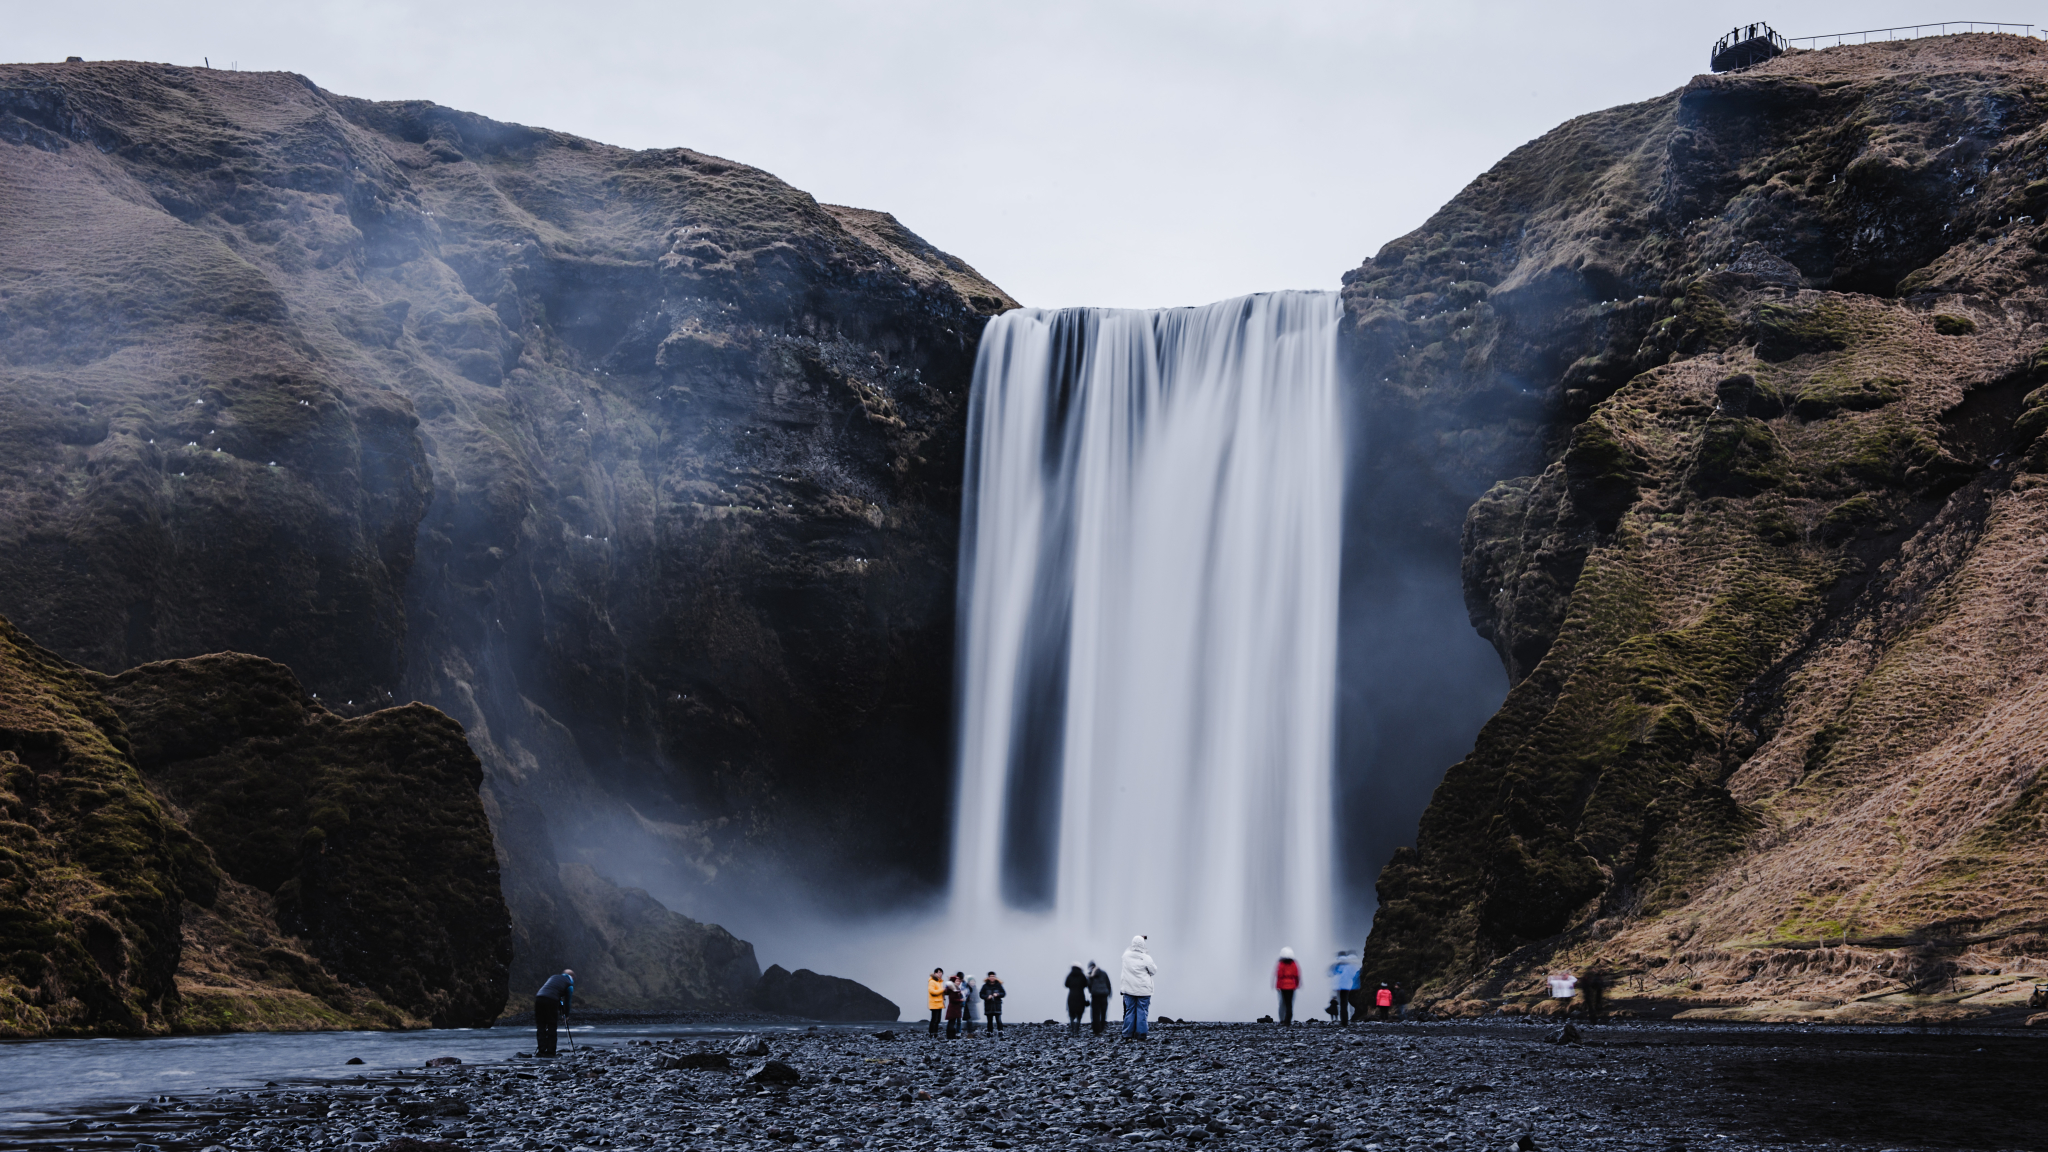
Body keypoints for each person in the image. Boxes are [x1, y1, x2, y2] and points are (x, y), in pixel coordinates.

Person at [1119, 935, 1156, 1042]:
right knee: (1142, 1011)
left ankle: (1128, 1035)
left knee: (1129, 1011)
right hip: (1143, 989)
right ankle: (1141, 1035)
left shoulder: (1126, 956)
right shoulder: (1146, 957)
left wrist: (1138, 938)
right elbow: (1153, 971)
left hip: (1129, 988)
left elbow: (1128, 949)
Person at [534, 968, 574, 1057]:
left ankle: (541, 1050)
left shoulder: (553, 977)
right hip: (551, 1000)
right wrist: (566, 1015)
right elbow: (568, 1001)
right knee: (551, 1025)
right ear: (572, 977)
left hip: (539, 998)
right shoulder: (569, 984)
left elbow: (551, 989)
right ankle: (550, 1051)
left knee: (541, 1025)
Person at [1330, 950, 1361, 1026]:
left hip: (1341, 987)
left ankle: (1344, 1021)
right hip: (1350, 987)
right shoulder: (1351, 965)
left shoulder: (1339, 965)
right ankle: (1351, 1018)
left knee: (1343, 1005)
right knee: (1350, 1004)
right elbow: (1355, 974)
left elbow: (1332, 973)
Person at [1273, 947, 1301, 1026]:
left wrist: (1278, 986)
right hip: (1291, 986)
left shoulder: (1281, 964)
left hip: (1283, 986)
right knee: (1289, 1004)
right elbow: (1296, 975)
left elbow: (1279, 975)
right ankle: (1288, 1020)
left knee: (1282, 1003)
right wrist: (1297, 984)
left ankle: (1282, 1019)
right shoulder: (1294, 964)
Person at [1086, 961, 1113, 1036]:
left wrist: (1091, 991)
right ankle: (1102, 1028)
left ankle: (1096, 1030)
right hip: (1104, 995)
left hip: (1095, 996)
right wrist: (1109, 993)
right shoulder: (1104, 973)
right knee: (1103, 1012)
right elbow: (1108, 983)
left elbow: (1089, 985)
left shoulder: (1090, 974)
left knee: (1095, 1013)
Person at [1064, 965, 1089, 1036]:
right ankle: (1077, 1031)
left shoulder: (1070, 975)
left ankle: (1072, 1030)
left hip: (1071, 996)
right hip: (1080, 996)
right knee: (1079, 1015)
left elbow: (1066, 984)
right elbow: (1086, 984)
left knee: (1071, 1015)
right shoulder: (1082, 975)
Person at [980, 972, 1006, 1037]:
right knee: (989, 1020)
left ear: (995, 977)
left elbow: (1003, 993)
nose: (992, 978)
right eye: (991, 976)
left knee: (998, 1019)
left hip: (997, 1005)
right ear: (988, 977)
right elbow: (981, 994)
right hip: (988, 1005)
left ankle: (1000, 1031)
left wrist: (998, 994)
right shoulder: (985, 986)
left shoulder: (999, 985)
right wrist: (987, 997)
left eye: (993, 976)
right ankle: (989, 1032)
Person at [944, 972, 965, 1039]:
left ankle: (951, 1036)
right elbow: (953, 999)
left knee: (951, 1021)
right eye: (957, 981)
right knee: (952, 1022)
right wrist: (961, 1000)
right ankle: (950, 1036)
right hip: (953, 1008)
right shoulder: (953, 989)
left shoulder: (954, 989)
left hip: (954, 1008)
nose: (959, 982)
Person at [927, 968, 946, 1038]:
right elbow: (932, 992)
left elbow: (939, 992)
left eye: (941, 973)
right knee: (934, 1020)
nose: (940, 974)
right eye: (939, 972)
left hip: (939, 1003)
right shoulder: (932, 981)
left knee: (937, 1020)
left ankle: (935, 1033)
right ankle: (932, 1033)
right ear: (935, 973)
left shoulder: (939, 982)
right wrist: (942, 990)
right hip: (934, 1003)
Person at [962, 972, 981, 1036]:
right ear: (969, 982)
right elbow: (963, 996)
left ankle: (972, 1034)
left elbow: (978, 999)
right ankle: (969, 1034)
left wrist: (974, 999)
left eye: (973, 982)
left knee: (973, 1021)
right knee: (969, 1021)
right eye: (971, 981)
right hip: (967, 1007)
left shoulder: (975, 989)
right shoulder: (966, 988)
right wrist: (968, 999)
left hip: (973, 1007)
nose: (972, 983)